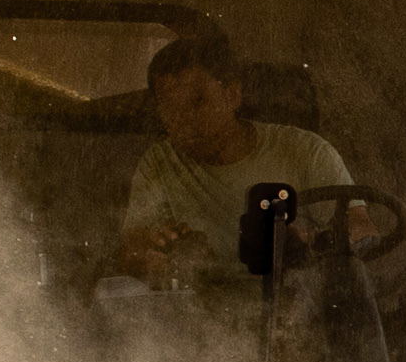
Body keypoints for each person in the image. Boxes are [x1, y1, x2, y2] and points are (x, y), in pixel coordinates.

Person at [114, 31, 350, 289]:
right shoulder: (158, 162)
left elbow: (360, 230)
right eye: (170, 107)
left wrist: (309, 242)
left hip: (299, 300)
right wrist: (151, 257)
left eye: (198, 101)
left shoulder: (307, 152)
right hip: (203, 310)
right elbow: (131, 249)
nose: (183, 120)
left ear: (233, 95)